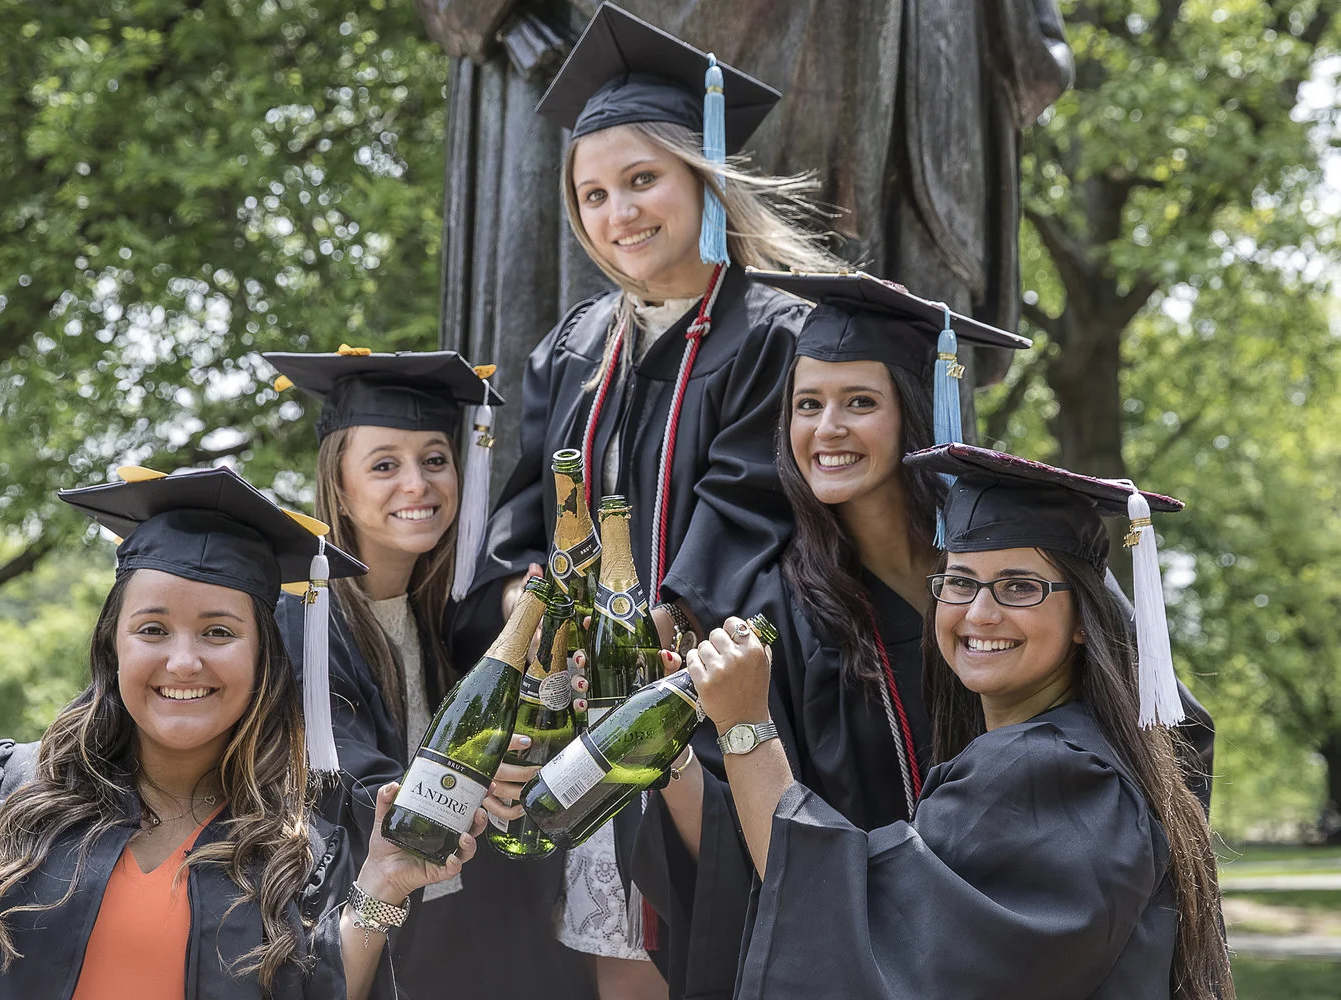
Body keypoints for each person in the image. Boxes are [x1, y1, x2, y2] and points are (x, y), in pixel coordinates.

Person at [452, 7, 841, 993]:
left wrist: (641, 636)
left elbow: (745, 515)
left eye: (641, 180)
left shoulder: (779, 334)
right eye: (593, 194)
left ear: (704, 180)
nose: (617, 212)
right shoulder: (574, 349)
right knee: (613, 955)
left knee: (717, 947)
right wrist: (529, 609)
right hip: (580, 717)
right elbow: (522, 525)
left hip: (720, 704)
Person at [0, 465, 481, 1000]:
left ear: (264, 659)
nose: (183, 662)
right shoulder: (6, 792)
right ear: (113, 645)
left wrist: (381, 885)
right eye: (152, 629)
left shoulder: (304, 838)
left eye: (218, 632)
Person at [687, 443, 1234, 999]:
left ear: (1083, 619)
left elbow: (868, 937)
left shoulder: (1050, 773)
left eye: (1020, 587)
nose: (979, 612)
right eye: (960, 581)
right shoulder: (1080, 752)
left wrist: (745, 724)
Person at [629, 269, 1032, 998]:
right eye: (807, 404)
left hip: (1020, 932)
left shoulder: (1009, 574)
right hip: (860, 964)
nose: (827, 429)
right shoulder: (775, 613)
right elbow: (738, 834)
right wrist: (665, 756)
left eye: (860, 402)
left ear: (917, 413)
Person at [262, 347, 594, 1000]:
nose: (417, 484)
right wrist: (470, 783)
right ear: (340, 487)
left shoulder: (443, 614)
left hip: (478, 926)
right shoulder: (302, 620)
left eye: (435, 460)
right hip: (370, 931)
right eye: (384, 465)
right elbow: (344, 781)